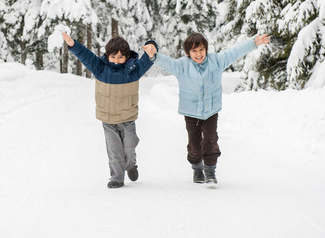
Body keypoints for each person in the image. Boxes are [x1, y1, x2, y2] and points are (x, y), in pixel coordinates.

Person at [144, 33, 270, 184]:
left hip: (211, 111)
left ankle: (210, 171)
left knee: (211, 140)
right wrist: (154, 56)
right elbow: (168, 63)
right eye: (194, 51)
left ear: (206, 50)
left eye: (201, 50)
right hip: (191, 112)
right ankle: (197, 168)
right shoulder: (182, 66)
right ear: (187, 53)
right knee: (194, 145)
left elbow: (234, 52)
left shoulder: (216, 61)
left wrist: (253, 43)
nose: (199, 54)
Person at [62, 32, 157, 188]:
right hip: (108, 120)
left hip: (127, 119)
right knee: (114, 152)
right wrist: (73, 45)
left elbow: (148, 59)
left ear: (127, 57)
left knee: (129, 148)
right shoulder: (100, 69)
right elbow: (86, 56)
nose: (117, 61)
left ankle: (131, 165)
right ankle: (117, 178)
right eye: (113, 57)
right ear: (107, 56)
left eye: (121, 57)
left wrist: (152, 47)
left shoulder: (133, 70)